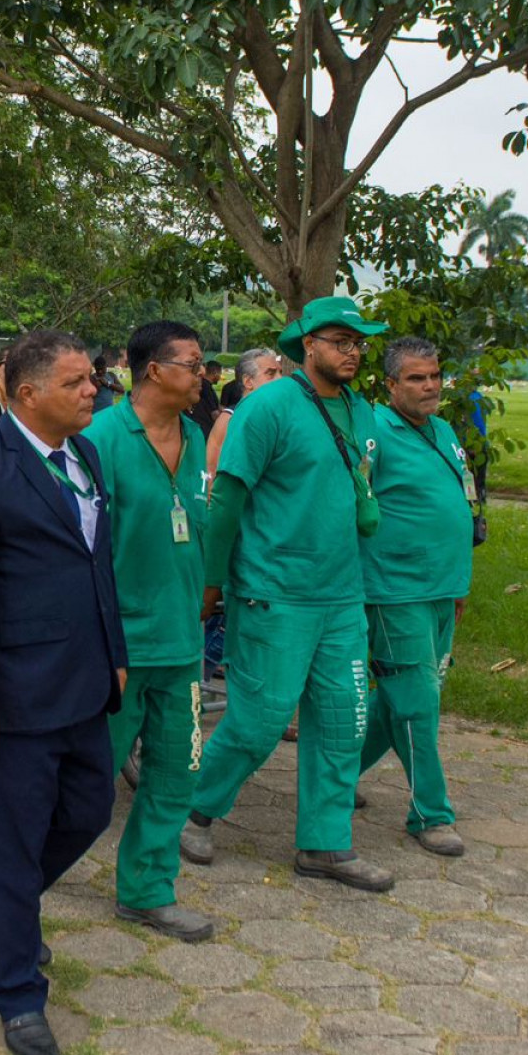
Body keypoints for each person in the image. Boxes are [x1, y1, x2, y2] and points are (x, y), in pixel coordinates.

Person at [0, 329, 126, 1055]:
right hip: (13, 694)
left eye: (93, 379)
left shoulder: (84, 455)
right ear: (27, 394)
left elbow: (94, 562)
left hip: (83, 682)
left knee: (90, 809)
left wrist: (115, 653)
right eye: (78, 381)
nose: (93, 391)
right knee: (14, 844)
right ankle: (18, 992)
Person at [184, 296, 394, 893]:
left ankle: (325, 845)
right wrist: (211, 580)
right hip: (274, 592)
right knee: (261, 718)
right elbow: (227, 497)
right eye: (338, 341)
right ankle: (194, 811)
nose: (351, 351)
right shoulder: (269, 407)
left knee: (342, 720)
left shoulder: (361, 411)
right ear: (307, 346)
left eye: (357, 342)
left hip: (341, 595)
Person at [82, 321, 217, 943]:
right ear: (154, 370)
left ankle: (146, 890)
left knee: (175, 770)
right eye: (193, 363)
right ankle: (20, 873)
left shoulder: (195, 434)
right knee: (88, 778)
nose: (203, 373)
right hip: (118, 646)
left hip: (181, 644)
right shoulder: (100, 438)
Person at [358, 337, 475, 858]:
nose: (429, 387)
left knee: (400, 701)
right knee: (419, 703)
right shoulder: (372, 433)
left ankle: (333, 775)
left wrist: (458, 587)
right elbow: (355, 508)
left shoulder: (444, 430)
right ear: (390, 385)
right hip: (394, 590)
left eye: (434, 376)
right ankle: (431, 812)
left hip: (442, 589)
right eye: (415, 379)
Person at [204, 348, 282, 477]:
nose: (280, 379)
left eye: (280, 372)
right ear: (248, 382)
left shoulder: (279, 416)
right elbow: (211, 472)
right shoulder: (229, 419)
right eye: (271, 373)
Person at [189, 359, 224, 435]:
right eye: (220, 373)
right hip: (204, 429)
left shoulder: (205, 385)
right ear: (215, 372)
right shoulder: (206, 388)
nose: (220, 376)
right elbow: (214, 414)